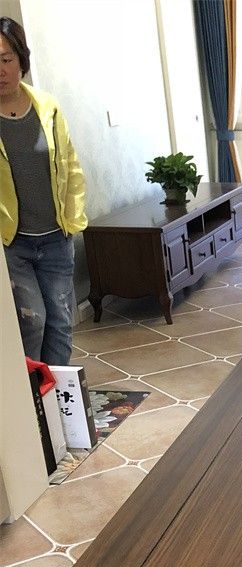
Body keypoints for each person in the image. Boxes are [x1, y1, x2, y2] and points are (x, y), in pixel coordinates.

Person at [0, 15, 86, 364]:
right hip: (12, 243)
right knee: (32, 323)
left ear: (20, 59)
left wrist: (73, 219)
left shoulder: (47, 108)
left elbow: (70, 164)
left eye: (5, 59)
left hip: (55, 238)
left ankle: (56, 394)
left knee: (61, 323)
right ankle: (34, 395)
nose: (0, 70)